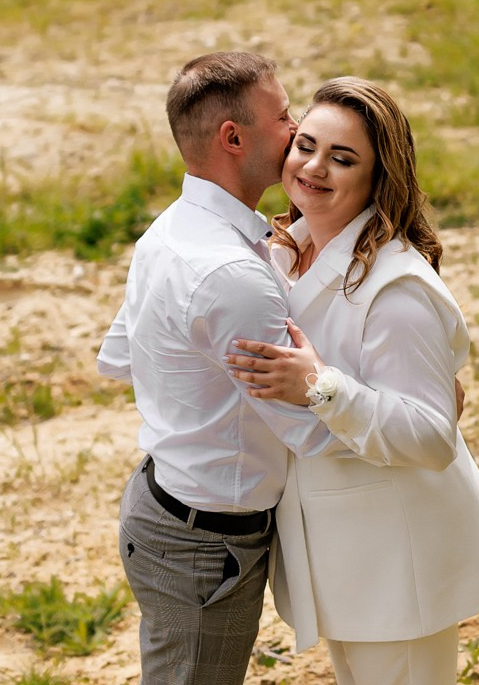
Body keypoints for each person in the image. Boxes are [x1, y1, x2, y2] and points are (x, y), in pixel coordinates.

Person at [225, 77, 479, 685]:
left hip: (400, 563)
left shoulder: (395, 288)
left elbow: (433, 436)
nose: (315, 167)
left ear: (379, 179)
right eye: (306, 145)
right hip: (342, 554)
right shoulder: (280, 254)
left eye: (343, 158)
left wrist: (320, 387)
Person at [96, 50, 333, 685]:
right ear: (233, 137)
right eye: (283, 116)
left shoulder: (170, 233)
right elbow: (313, 433)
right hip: (206, 548)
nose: (298, 129)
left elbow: (120, 355)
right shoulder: (230, 274)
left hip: (163, 504)